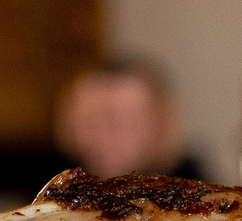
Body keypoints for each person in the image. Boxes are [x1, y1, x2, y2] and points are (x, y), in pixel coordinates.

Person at [52, 57, 204, 183]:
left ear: (162, 123)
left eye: (121, 123)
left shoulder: (208, 203)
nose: (104, 137)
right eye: (90, 124)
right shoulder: (40, 194)